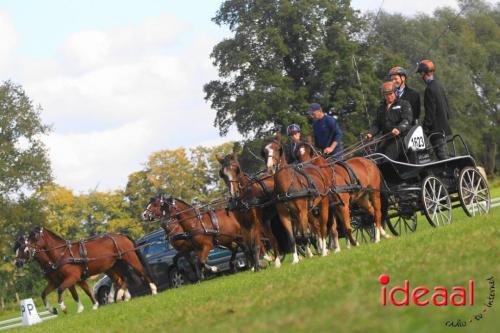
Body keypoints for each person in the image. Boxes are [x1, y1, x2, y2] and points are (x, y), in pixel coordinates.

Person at [365, 82, 413, 160]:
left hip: (400, 137)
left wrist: (398, 129)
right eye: (386, 94)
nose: (388, 96)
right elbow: (377, 124)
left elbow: (407, 120)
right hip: (386, 138)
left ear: (395, 93)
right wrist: (370, 133)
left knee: (387, 159)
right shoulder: (381, 108)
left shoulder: (404, 104)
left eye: (390, 93)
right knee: (375, 159)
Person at [416, 59, 452, 160]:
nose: (420, 76)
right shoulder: (440, 86)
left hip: (435, 129)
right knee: (443, 153)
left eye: (420, 73)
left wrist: (425, 128)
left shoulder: (429, 89)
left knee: (441, 155)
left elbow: (430, 113)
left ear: (424, 73)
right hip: (444, 127)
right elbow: (447, 109)